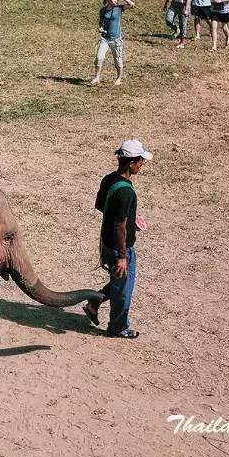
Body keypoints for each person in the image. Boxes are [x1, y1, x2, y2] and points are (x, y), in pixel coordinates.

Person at [83, 139, 152, 338]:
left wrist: (129, 220)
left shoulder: (109, 180)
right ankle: (118, 327)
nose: (142, 164)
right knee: (124, 288)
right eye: (140, 161)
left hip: (107, 243)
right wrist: (122, 256)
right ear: (132, 162)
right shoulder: (126, 192)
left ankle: (94, 303)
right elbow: (120, 227)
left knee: (120, 282)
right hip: (120, 248)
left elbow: (101, 206)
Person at [89, 0, 135, 87]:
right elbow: (101, 22)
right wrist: (100, 28)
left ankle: (119, 78)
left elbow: (132, 4)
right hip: (105, 39)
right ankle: (97, 77)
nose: (116, 0)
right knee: (99, 57)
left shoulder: (119, 8)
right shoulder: (103, 10)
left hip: (116, 40)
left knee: (118, 60)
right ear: (109, 0)